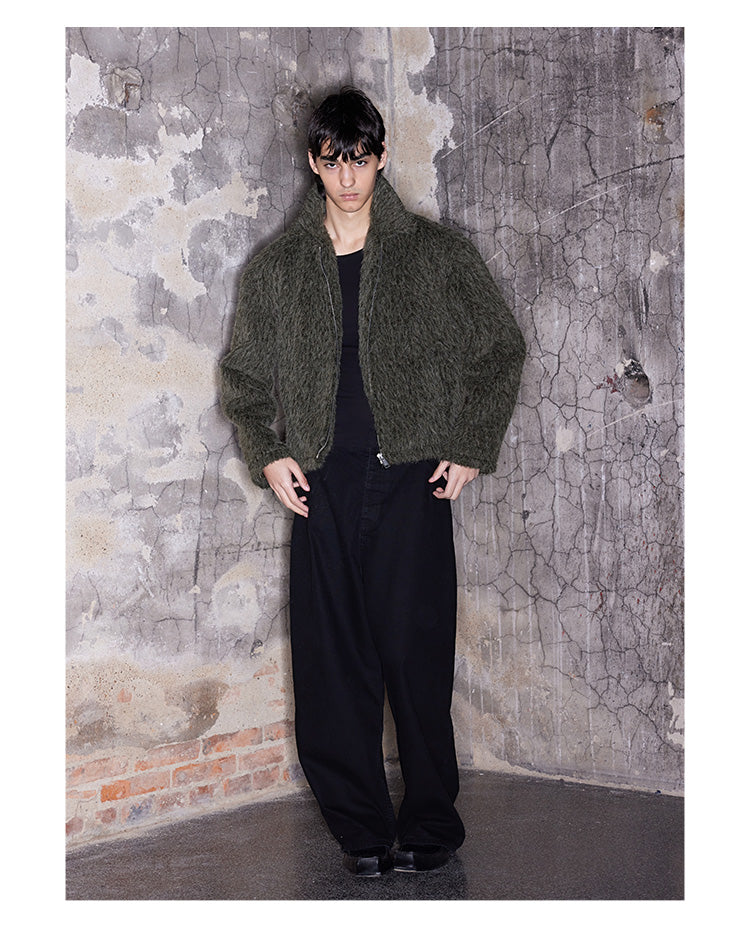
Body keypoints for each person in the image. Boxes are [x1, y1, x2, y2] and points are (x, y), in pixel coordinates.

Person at [220, 86, 525, 877]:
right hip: (319, 485)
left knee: (416, 659)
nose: (348, 177)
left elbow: (500, 349)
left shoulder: (435, 254)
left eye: (360, 159)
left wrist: (470, 444)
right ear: (314, 162)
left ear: (381, 157)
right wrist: (267, 452)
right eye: (333, 161)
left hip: (411, 482)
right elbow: (242, 379)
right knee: (332, 664)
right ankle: (360, 826)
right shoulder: (278, 269)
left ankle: (430, 822)